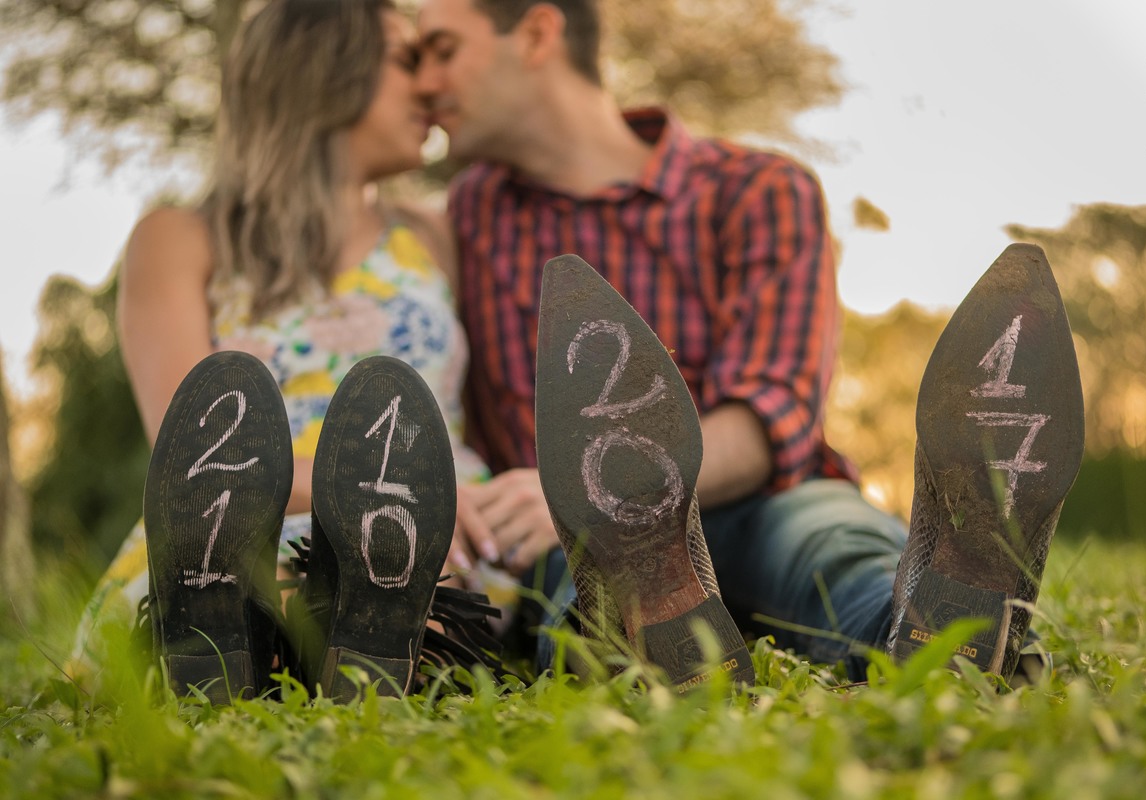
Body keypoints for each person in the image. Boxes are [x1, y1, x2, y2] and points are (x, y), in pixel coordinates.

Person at [414, 0, 1085, 686]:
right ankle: (624, 645)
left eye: (440, 49)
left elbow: (773, 408)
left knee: (838, 548)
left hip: (771, 499)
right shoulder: (464, 220)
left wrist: (615, 492)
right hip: (575, 531)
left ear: (535, 33)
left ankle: (945, 625)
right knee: (581, 578)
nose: (423, 84)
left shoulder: (756, 189)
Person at [69, 0, 497, 701]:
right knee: (258, 564)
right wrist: (358, 497)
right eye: (404, 59)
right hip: (239, 513)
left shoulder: (437, 235)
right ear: (320, 70)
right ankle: (254, 634)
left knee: (416, 579)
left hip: (434, 520)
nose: (429, 86)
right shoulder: (182, 238)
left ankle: (348, 635)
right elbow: (187, 458)